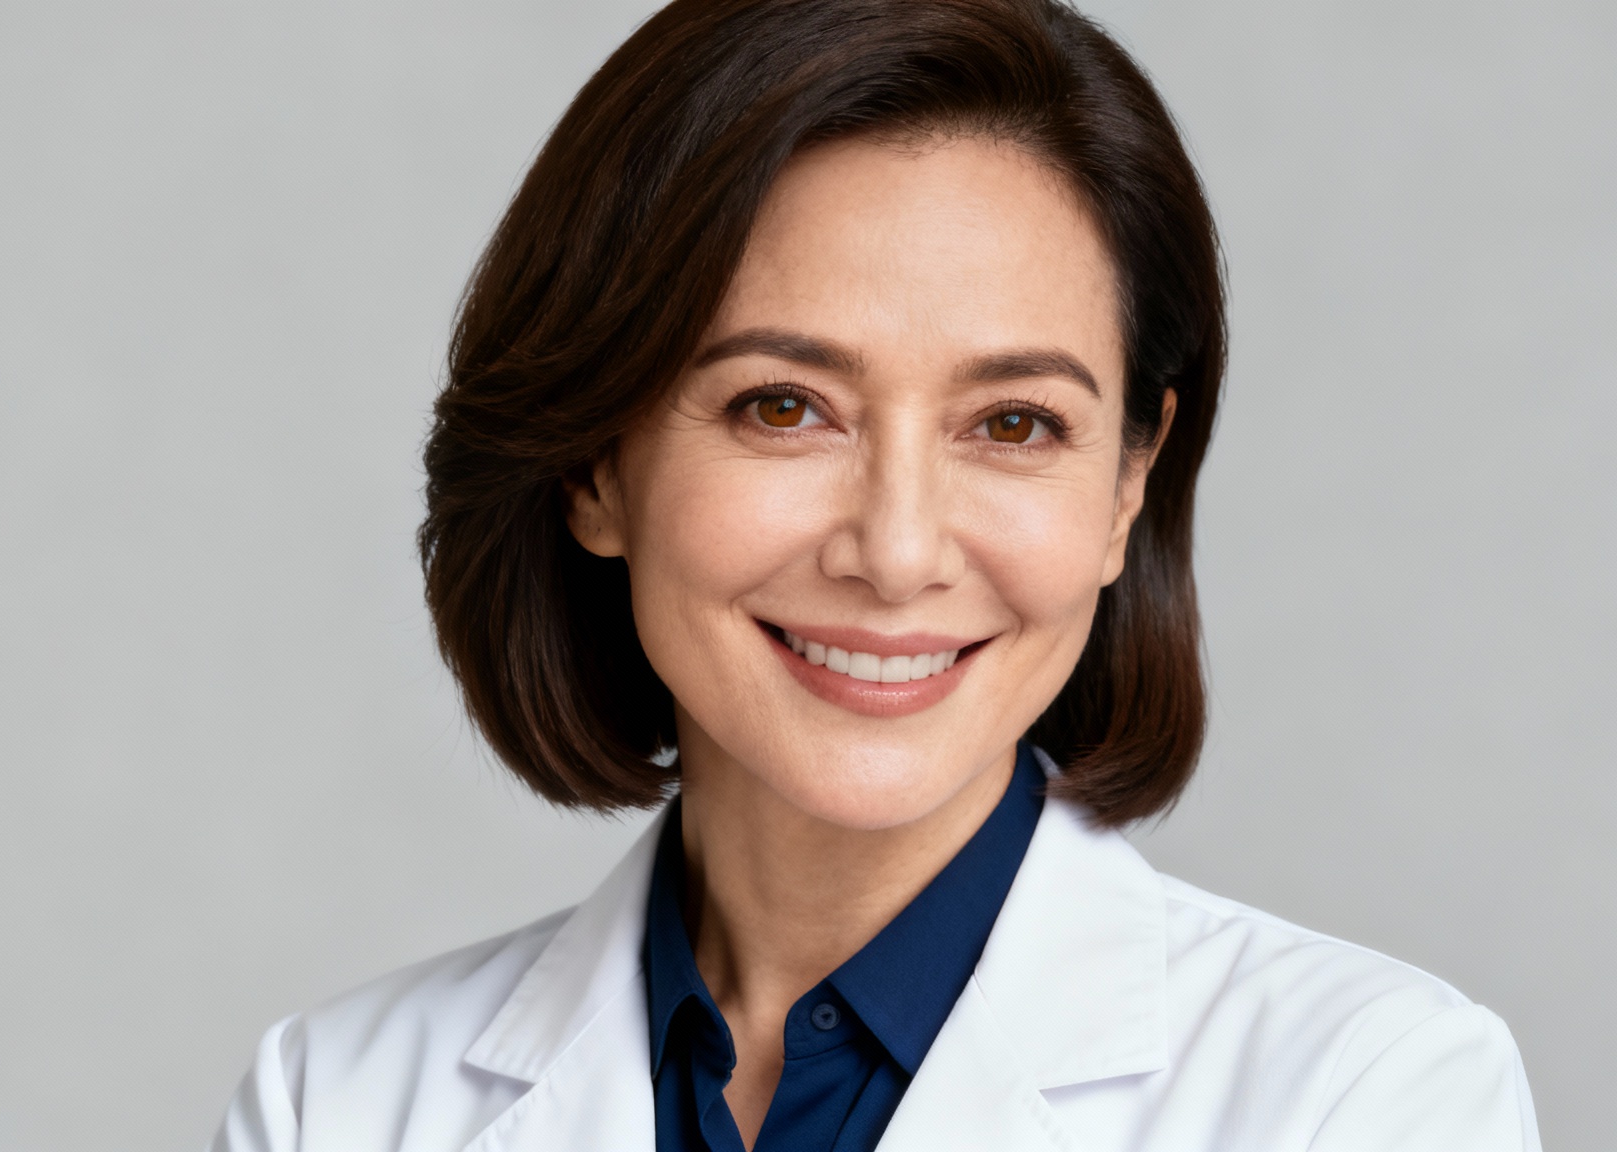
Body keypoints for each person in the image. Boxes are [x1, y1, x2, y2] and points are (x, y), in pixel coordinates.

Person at [212, 1, 1540, 1148]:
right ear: (592, 465)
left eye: (1014, 424)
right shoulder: (337, 1108)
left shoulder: (1366, 1102)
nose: (898, 551)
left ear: (1131, 480)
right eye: (783, 408)